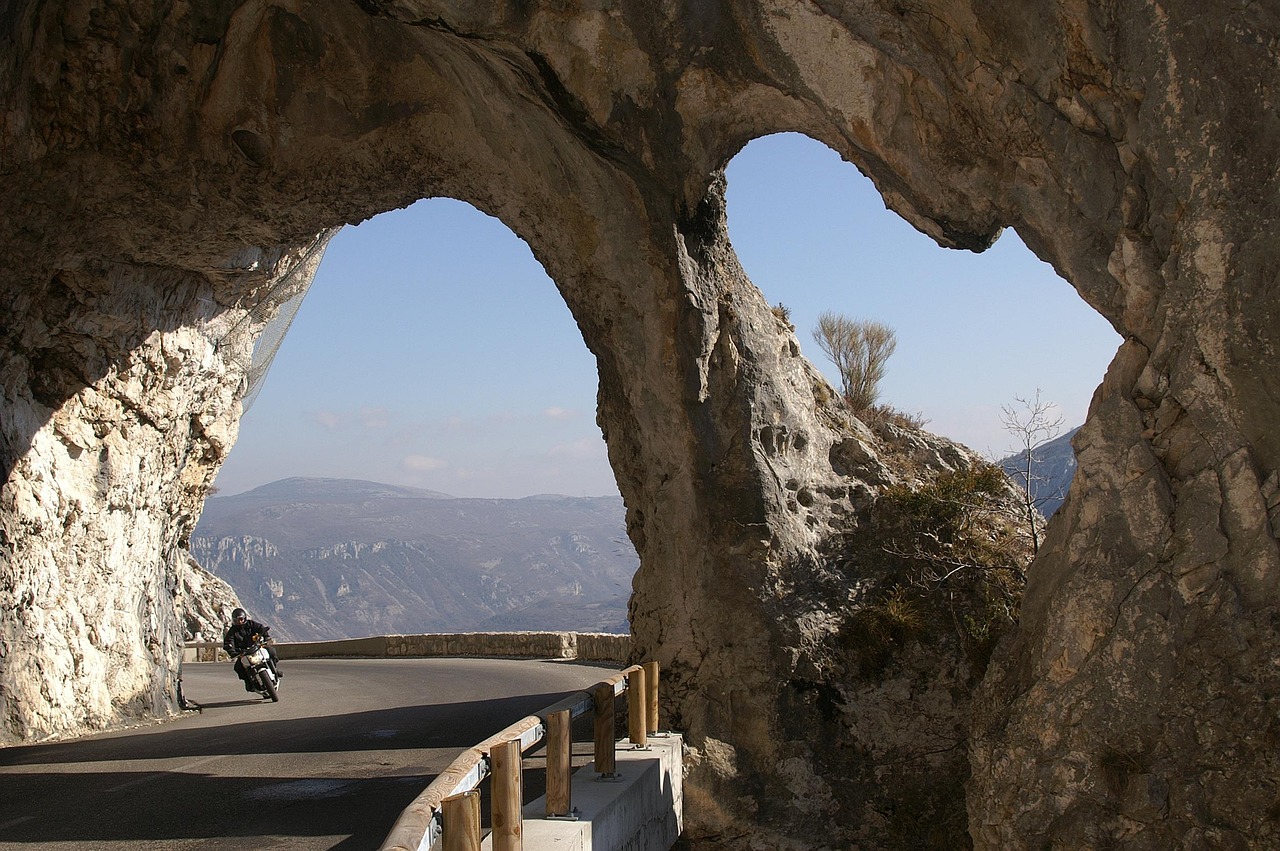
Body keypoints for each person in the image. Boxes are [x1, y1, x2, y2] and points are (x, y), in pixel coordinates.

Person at [222, 607, 282, 691]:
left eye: (241, 619)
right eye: (236, 620)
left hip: (256, 647)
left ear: (244, 618)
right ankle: (248, 682)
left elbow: (261, 628)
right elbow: (228, 642)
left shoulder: (251, 624)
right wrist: (232, 651)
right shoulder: (232, 632)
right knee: (238, 667)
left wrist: (265, 636)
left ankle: (274, 670)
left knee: (271, 651)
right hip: (243, 653)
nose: (239, 622)